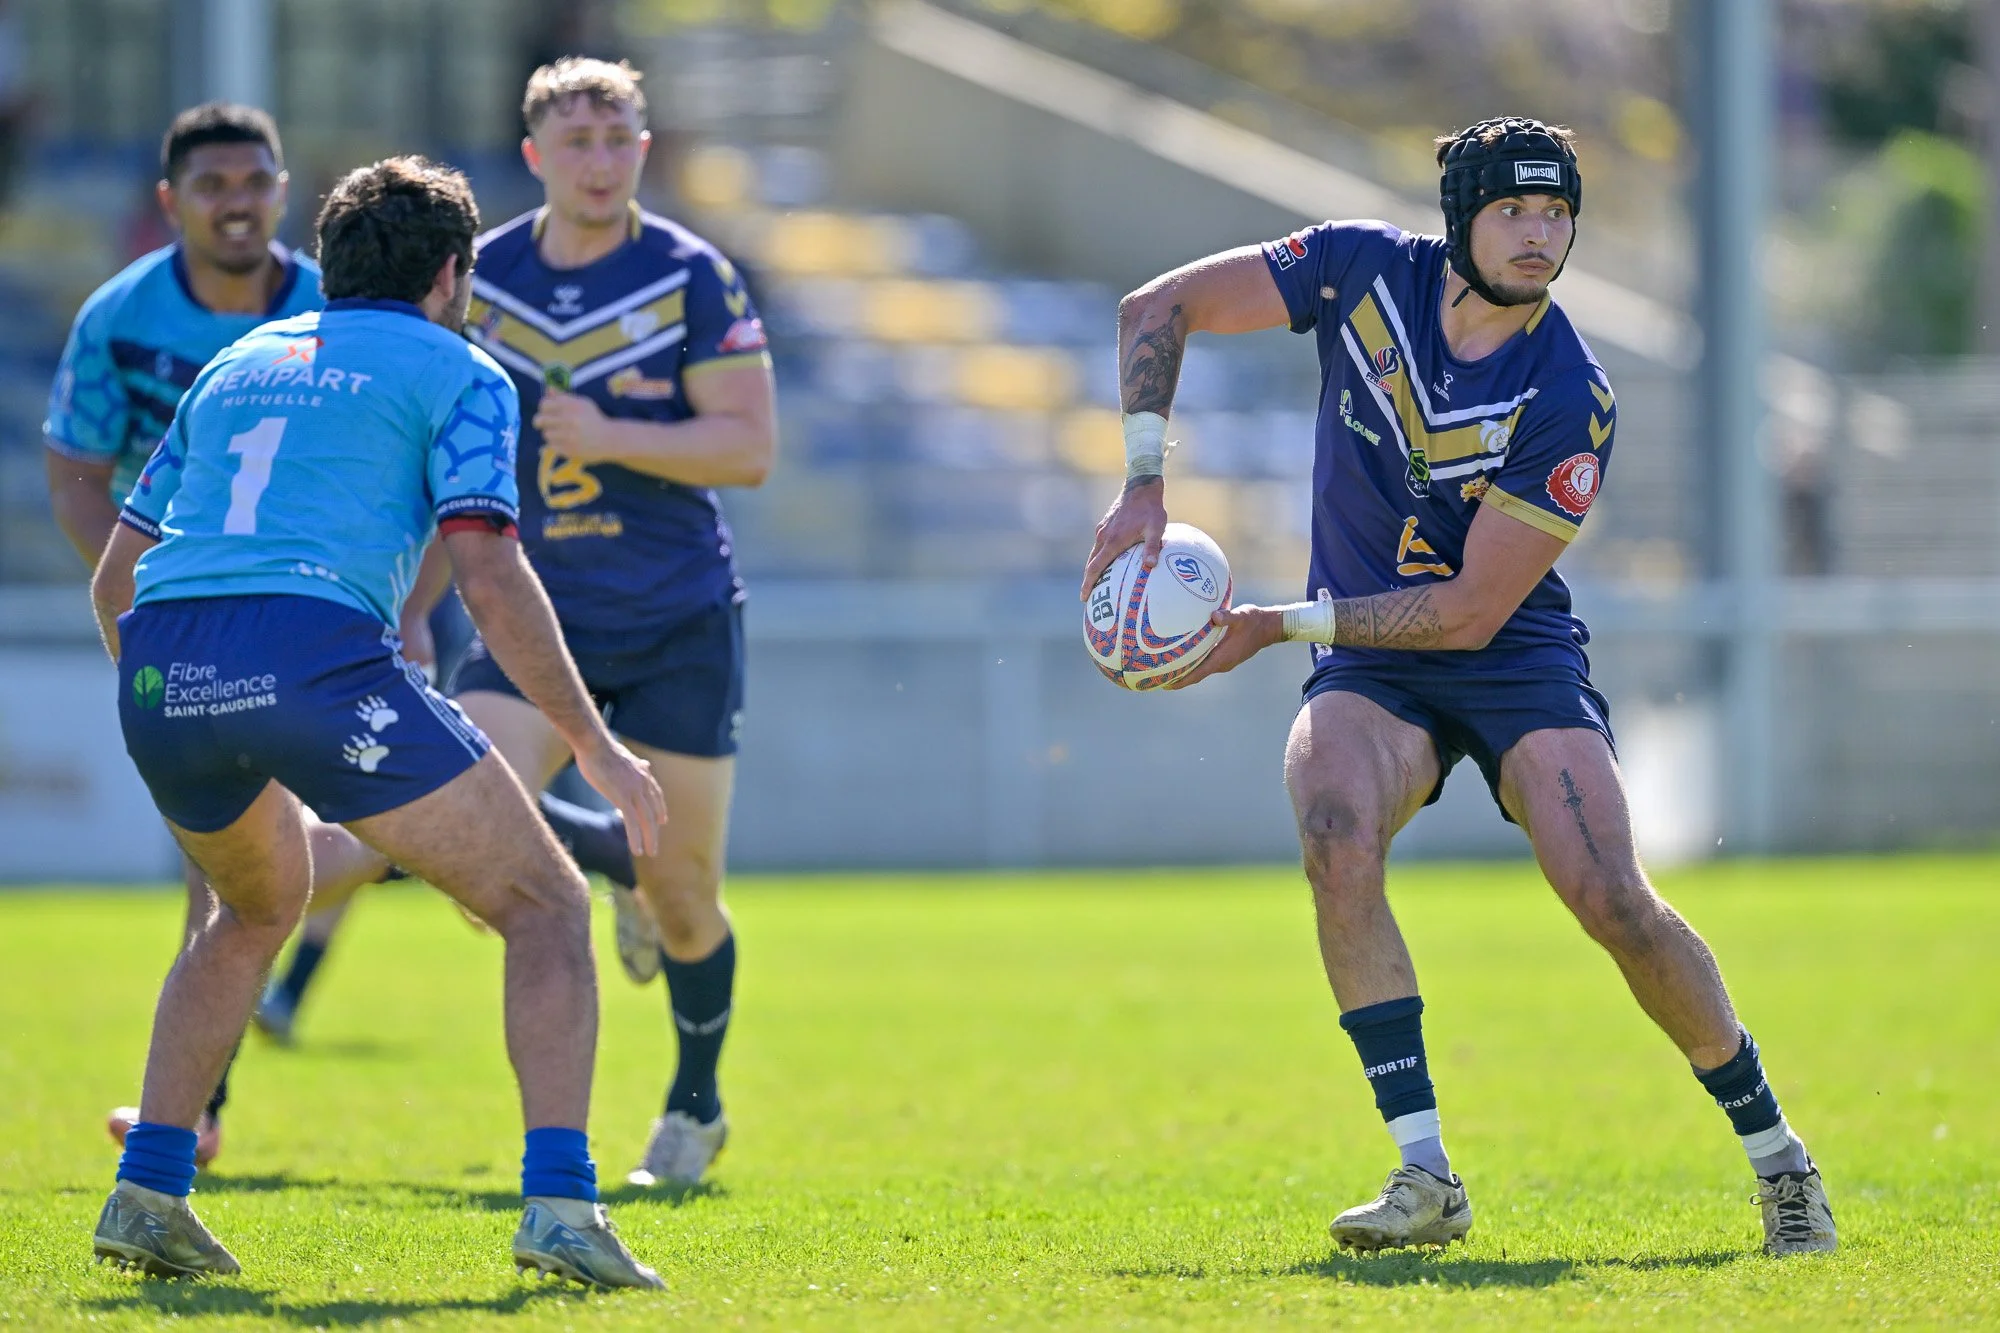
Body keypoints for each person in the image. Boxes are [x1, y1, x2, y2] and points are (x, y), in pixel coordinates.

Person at [1083, 117, 1836, 1258]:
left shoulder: (1568, 393)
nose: (1538, 237)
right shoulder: (1356, 270)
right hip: (1372, 655)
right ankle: (1422, 1172)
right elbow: (1155, 306)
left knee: (1611, 900)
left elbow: (1472, 611)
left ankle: (1778, 1158)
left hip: (1505, 651)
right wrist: (1143, 484)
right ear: (1459, 220)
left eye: (1555, 216)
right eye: (1513, 213)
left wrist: (1275, 626)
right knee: (1333, 823)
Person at [86, 155, 668, 1287]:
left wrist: (178, 697)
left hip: (164, 672)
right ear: (453, 275)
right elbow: (488, 576)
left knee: (256, 906)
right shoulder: (460, 369)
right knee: (545, 903)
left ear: (331, 262)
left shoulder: (237, 361)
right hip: (313, 655)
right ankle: (560, 1207)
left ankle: (148, 1189)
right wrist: (595, 745)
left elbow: (118, 574)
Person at [289, 57, 767, 1189]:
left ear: (643, 150)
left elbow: (746, 448)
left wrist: (610, 435)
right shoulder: (471, 276)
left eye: (618, 139)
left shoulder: (694, 276)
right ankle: (603, 853)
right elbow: (419, 457)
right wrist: (406, 614)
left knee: (688, 891)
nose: (599, 161)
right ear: (533, 155)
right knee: (440, 840)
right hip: (523, 620)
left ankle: (694, 1109)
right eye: (577, 140)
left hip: (677, 617)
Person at [43, 102, 385, 1165]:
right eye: (212, 186)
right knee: (228, 859)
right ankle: (197, 1114)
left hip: (328, 603)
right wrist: (138, 602)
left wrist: (398, 601)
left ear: (285, 191)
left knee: (272, 857)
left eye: (254, 182)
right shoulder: (120, 316)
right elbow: (76, 473)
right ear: (170, 203)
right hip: (194, 613)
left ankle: (554, 838)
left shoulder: (342, 310)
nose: (235, 203)